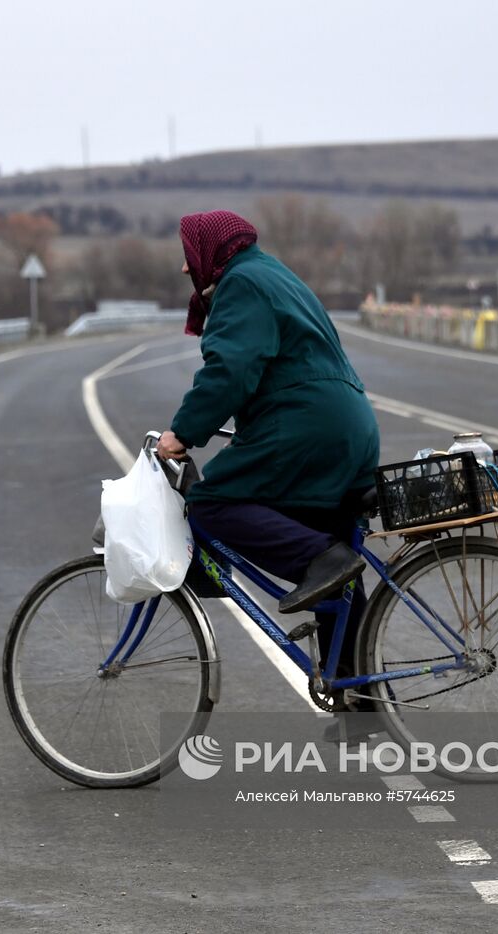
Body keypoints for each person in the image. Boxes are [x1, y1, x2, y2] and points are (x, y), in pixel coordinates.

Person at [155, 210, 381, 682]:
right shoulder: (274, 273)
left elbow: (232, 370)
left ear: (212, 251)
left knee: (211, 503)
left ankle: (320, 560)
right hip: (347, 425)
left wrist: (184, 431)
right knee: (321, 535)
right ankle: (357, 691)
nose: (184, 269)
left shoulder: (242, 284)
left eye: (188, 256)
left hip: (305, 427)